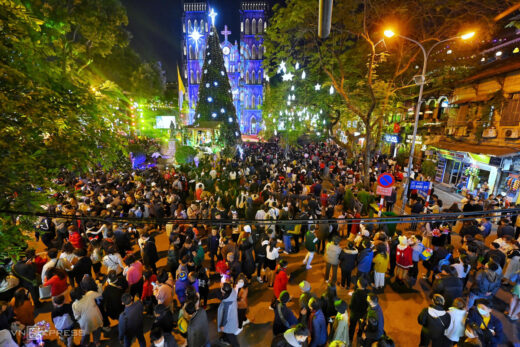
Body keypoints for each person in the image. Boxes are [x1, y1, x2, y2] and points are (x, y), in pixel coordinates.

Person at [217, 282, 240, 346]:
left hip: (229, 322)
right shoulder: (232, 292)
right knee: (227, 332)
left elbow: (226, 316)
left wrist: (222, 325)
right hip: (233, 316)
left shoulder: (228, 303)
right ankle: (225, 339)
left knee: (231, 335)